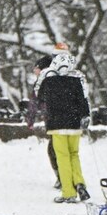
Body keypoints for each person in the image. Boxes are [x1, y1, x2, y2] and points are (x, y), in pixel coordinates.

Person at [36, 43, 91, 203]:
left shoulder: (49, 81)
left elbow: (39, 97)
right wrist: (85, 116)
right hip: (74, 125)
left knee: (63, 157)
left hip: (57, 125)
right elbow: (83, 101)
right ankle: (80, 183)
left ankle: (68, 192)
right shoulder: (76, 80)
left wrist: (46, 75)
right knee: (74, 155)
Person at [25, 55, 60, 189]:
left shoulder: (41, 83)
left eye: (36, 68)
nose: (34, 71)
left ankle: (62, 178)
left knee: (53, 150)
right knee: (61, 150)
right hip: (66, 120)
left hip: (53, 121)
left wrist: (30, 120)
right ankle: (66, 177)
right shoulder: (60, 80)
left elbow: (34, 103)